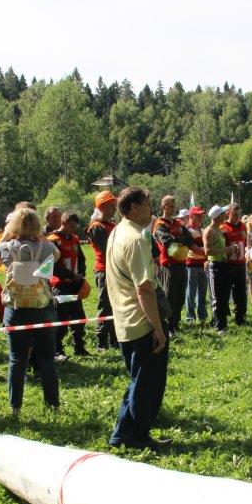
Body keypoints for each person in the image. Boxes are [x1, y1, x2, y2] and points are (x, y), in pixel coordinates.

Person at [105, 187, 170, 452]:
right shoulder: (136, 239)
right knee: (148, 386)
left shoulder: (117, 232)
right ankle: (138, 437)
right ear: (133, 208)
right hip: (141, 322)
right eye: (147, 204)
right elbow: (144, 288)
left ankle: (121, 435)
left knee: (138, 381)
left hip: (125, 319)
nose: (151, 210)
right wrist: (157, 327)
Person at [0, 207, 61, 418]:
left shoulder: (5, 248)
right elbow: (57, 254)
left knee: (16, 359)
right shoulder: (45, 248)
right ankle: (52, 404)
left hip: (15, 308)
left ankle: (15, 407)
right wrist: (41, 238)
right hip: (42, 307)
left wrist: (7, 236)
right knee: (47, 358)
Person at [47, 211, 89, 359]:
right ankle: (58, 350)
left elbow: (82, 259)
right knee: (61, 319)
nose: (73, 228)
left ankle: (80, 347)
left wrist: (81, 276)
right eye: (71, 225)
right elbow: (54, 266)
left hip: (74, 285)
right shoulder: (53, 240)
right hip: (60, 285)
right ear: (63, 222)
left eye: (75, 226)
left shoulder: (75, 239)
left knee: (79, 317)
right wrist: (71, 276)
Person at [152, 195, 195, 335]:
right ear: (163, 206)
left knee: (180, 296)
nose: (173, 207)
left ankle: (176, 324)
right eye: (171, 205)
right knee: (170, 296)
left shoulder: (178, 223)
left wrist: (178, 239)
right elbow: (167, 241)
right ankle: (168, 327)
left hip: (182, 263)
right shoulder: (160, 224)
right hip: (168, 265)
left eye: (174, 204)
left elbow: (189, 238)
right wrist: (180, 240)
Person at [84, 191, 118, 350]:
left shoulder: (111, 225)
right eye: (112, 205)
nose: (115, 208)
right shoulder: (96, 227)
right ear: (103, 206)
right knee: (105, 306)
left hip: (115, 270)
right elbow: (108, 250)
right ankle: (101, 342)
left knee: (116, 305)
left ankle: (114, 340)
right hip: (104, 271)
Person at [204, 205, 233, 336]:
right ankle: (218, 326)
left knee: (224, 296)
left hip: (223, 265)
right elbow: (207, 251)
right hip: (214, 266)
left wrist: (231, 250)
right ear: (216, 216)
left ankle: (223, 324)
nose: (225, 216)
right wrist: (226, 250)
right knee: (216, 297)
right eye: (223, 214)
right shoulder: (209, 230)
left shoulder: (219, 230)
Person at [220, 203, 249, 326]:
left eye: (238, 214)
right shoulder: (223, 227)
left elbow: (245, 243)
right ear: (228, 213)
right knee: (225, 292)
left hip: (241, 264)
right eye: (234, 214)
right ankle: (223, 318)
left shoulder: (243, 226)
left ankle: (240, 317)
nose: (237, 216)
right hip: (228, 265)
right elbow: (220, 245)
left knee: (241, 292)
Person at [183, 206, 208, 325]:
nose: (201, 218)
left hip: (203, 264)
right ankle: (190, 317)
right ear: (191, 216)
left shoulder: (202, 230)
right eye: (198, 215)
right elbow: (195, 248)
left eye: (201, 216)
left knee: (202, 292)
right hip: (191, 264)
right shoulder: (186, 230)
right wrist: (209, 250)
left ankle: (202, 316)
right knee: (191, 292)